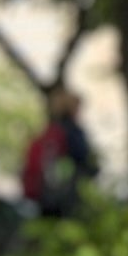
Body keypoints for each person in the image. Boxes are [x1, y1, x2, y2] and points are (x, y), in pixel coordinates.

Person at [20, 86, 98, 218]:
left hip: (46, 197)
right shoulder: (73, 133)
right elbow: (84, 160)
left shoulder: (49, 132)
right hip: (69, 197)